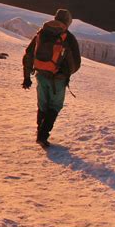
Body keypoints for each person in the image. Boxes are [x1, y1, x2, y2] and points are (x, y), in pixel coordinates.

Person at [22, 9, 81, 147]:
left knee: (43, 105)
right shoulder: (68, 37)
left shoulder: (42, 32)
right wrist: (64, 73)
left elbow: (29, 55)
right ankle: (43, 136)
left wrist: (26, 77)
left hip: (41, 75)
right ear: (68, 22)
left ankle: (39, 132)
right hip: (58, 79)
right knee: (54, 106)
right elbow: (76, 63)